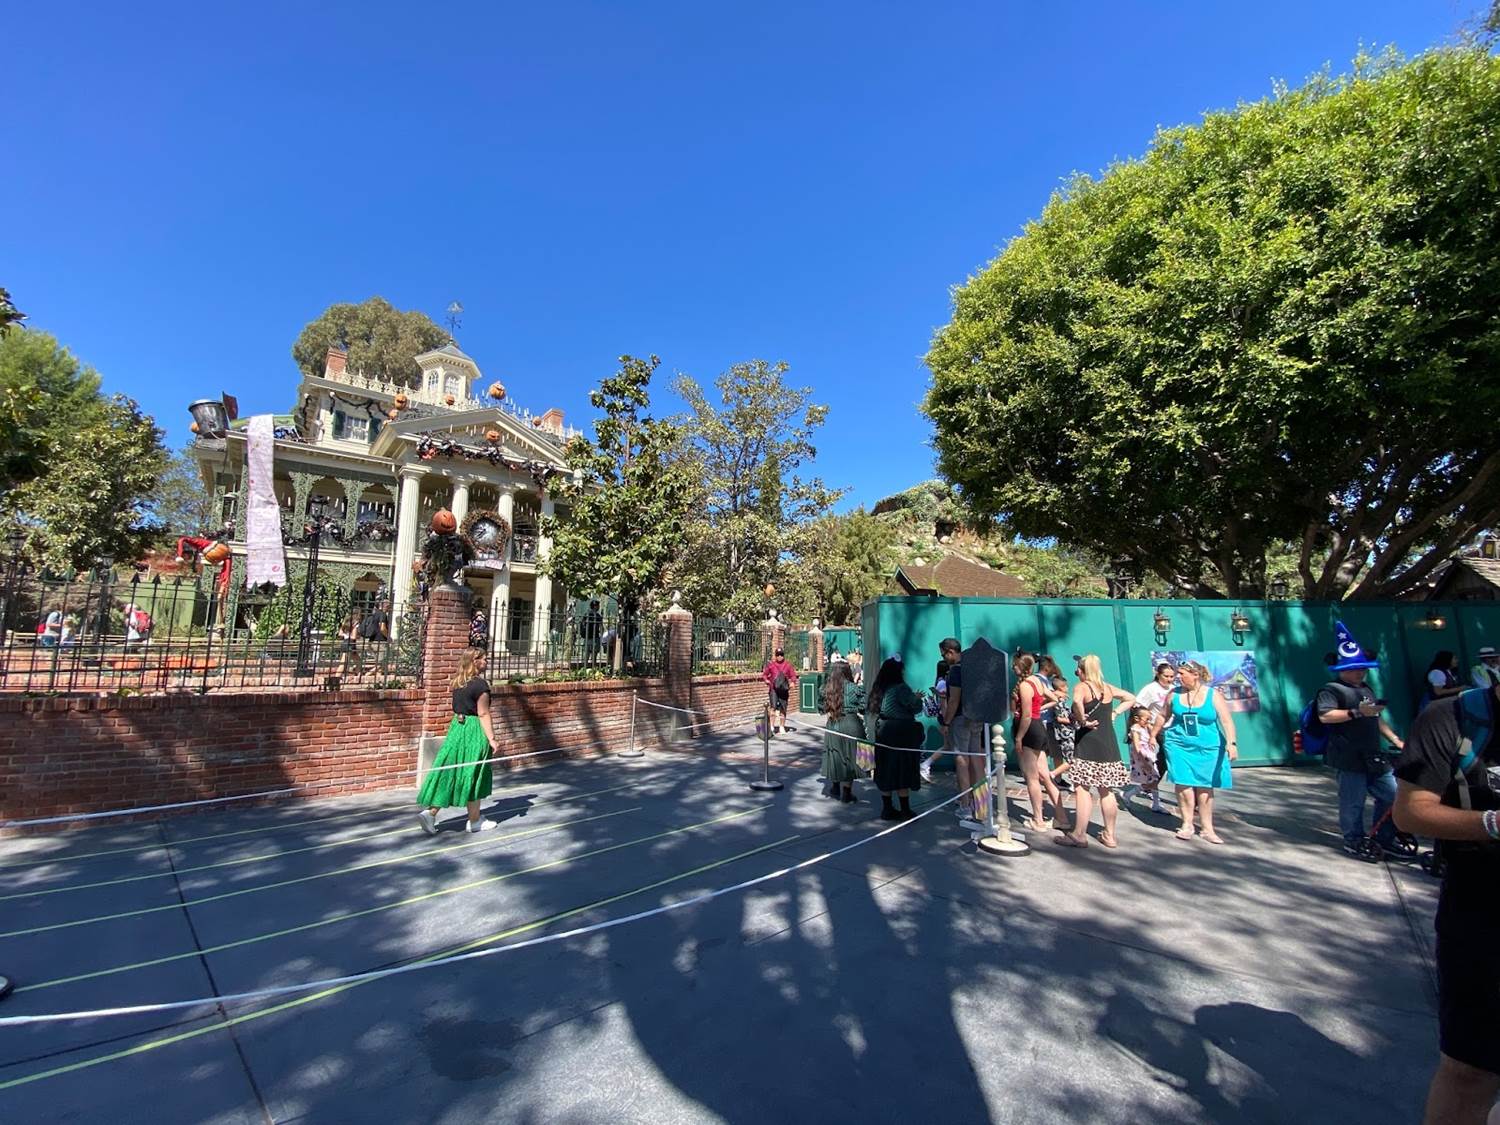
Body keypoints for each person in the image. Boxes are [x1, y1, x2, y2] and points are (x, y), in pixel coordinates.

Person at [1393, 682, 1500, 1125]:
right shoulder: (1452, 719)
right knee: (1471, 1071)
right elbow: (1409, 812)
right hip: (1482, 916)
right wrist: (1492, 823)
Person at [1317, 621, 1407, 858]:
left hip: (1373, 754)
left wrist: (1396, 740)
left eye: (1363, 668)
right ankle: (1353, 839)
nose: (1361, 672)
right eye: (1356, 668)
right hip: (1348, 755)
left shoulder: (1366, 688)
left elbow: (1375, 717)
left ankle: (1384, 837)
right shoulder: (1331, 690)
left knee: (1393, 795)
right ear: (1342, 669)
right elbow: (1325, 716)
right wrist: (1356, 712)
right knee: (1353, 801)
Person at [416, 648, 499, 835]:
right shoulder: (480, 685)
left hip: (457, 727)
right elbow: (483, 713)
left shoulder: (458, 682)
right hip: (473, 729)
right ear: (475, 661)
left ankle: (432, 813)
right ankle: (474, 821)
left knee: (451, 770)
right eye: (484, 659)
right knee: (474, 771)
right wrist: (492, 738)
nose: (487, 662)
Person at [1057, 655, 1134, 849]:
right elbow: (1130, 698)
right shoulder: (1107, 688)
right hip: (1108, 742)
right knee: (1106, 789)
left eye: (1078, 670)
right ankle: (1110, 835)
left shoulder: (1082, 687)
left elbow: (1076, 702)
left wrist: (1083, 720)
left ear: (1082, 671)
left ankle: (1079, 834)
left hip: (1088, 741)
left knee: (1082, 787)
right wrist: (1115, 713)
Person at [1163, 659, 1237, 843]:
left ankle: (1207, 828)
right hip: (1178, 744)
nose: (1178, 677)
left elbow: (1226, 721)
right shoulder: (1173, 694)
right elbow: (1163, 715)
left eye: (1182, 674)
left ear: (1195, 675)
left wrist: (1231, 743)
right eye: (1178, 674)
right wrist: (1152, 733)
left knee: (1205, 787)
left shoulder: (1213, 695)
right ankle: (1187, 824)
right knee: (1183, 783)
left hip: (1208, 746)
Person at [1012, 652, 1068, 832]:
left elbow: (1027, 715)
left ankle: (1038, 820)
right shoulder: (1038, 682)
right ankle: (1062, 818)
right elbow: (1055, 698)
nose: (1013, 668)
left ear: (1021, 667)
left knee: (1032, 777)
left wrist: (1019, 737)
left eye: (1015, 665)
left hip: (1029, 730)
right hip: (1039, 729)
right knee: (1045, 775)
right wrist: (1041, 706)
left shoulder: (1026, 685)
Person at [867, 654, 923, 820]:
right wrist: (917, 698)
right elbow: (914, 706)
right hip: (901, 732)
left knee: (886, 768)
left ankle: (887, 808)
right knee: (902, 769)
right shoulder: (901, 688)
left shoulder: (878, 689)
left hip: (883, 731)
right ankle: (905, 810)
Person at [937, 638, 984, 823]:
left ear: (950, 651)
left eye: (944, 654)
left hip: (960, 719)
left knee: (962, 760)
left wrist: (946, 722)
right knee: (977, 759)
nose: (943, 658)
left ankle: (965, 805)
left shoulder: (956, 670)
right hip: (976, 717)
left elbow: (954, 699)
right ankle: (981, 803)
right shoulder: (973, 667)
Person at [1123, 663, 1176, 814]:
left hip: (1172, 727)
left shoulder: (1173, 689)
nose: (1169, 679)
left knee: (1162, 762)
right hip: (1157, 728)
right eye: (1166, 676)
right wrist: (1144, 725)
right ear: (1158, 674)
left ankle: (1150, 787)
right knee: (1166, 757)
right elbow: (1137, 707)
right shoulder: (1150, 689)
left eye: (1172, 676)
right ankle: (1149, 784)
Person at [821, 660, 863, 803]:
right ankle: (846, 792)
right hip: (851, 723)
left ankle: (835, 786)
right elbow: (864, 706)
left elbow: (820, 708)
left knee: (835, 754)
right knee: (850, 756)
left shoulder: (826, 689)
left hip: (833, 723)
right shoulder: (854, 688)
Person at [919, 658, 950, 783]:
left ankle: (925, 765)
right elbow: (943, 704)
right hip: (945, 717)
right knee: (948, 745)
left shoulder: (940, 682)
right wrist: (947, 721)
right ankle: (925, 765)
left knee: (949, 745)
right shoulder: (942, 683)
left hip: (944, 717)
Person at [762, 647, 798, 736]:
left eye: (781, 654)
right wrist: (766, 680)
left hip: (784, 689)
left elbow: (793, 675)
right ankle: (772, 726)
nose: (779, 656)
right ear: (775, 656)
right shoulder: (771, 665)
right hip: (773, 689)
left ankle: (782, 726)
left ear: (783, 655)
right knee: (773, 707)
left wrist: (793, 682)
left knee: (783, 708)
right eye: (778, 655)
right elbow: (765, 674)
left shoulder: (788, 665)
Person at [1126, 706, 1160, 796]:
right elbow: (1137, 747)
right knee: (1152, 780)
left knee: (1154, 779)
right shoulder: (1135, 729)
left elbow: (1153, 734)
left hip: (1149, 756)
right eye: (1147, 719)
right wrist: (1144, 763)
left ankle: (1156, 802)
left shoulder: (1145, 727)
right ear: (1137, 718)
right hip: (1142, 758)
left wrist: (1149, 726)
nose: (1148, 721)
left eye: (1150, 719)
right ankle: (1128, 794)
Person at [582, 599, 604, 664]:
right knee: (594, 656)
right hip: (595, 637)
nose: (599, 607)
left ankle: (585, 668)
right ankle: (593, 668)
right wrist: (602, 636)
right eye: (598, 606)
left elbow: (582, 624)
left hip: (587, 637)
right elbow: (601, 627)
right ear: (595, 606)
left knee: (586, 655)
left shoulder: (586, 614)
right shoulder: (598, 616)